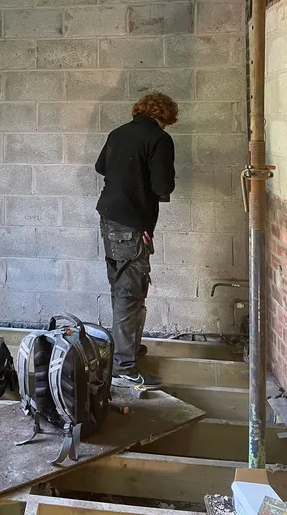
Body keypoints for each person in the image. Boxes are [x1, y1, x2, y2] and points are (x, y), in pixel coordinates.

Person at [95, 92, 177, 390]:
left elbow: (101, 167)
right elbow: (163, 185)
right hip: (132, 224)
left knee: (120, 287)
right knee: (132, 292)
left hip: (108, 218)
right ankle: (124, 369)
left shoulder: (118, 133)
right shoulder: (158, 139)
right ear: (164, 117)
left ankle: (123, 350)